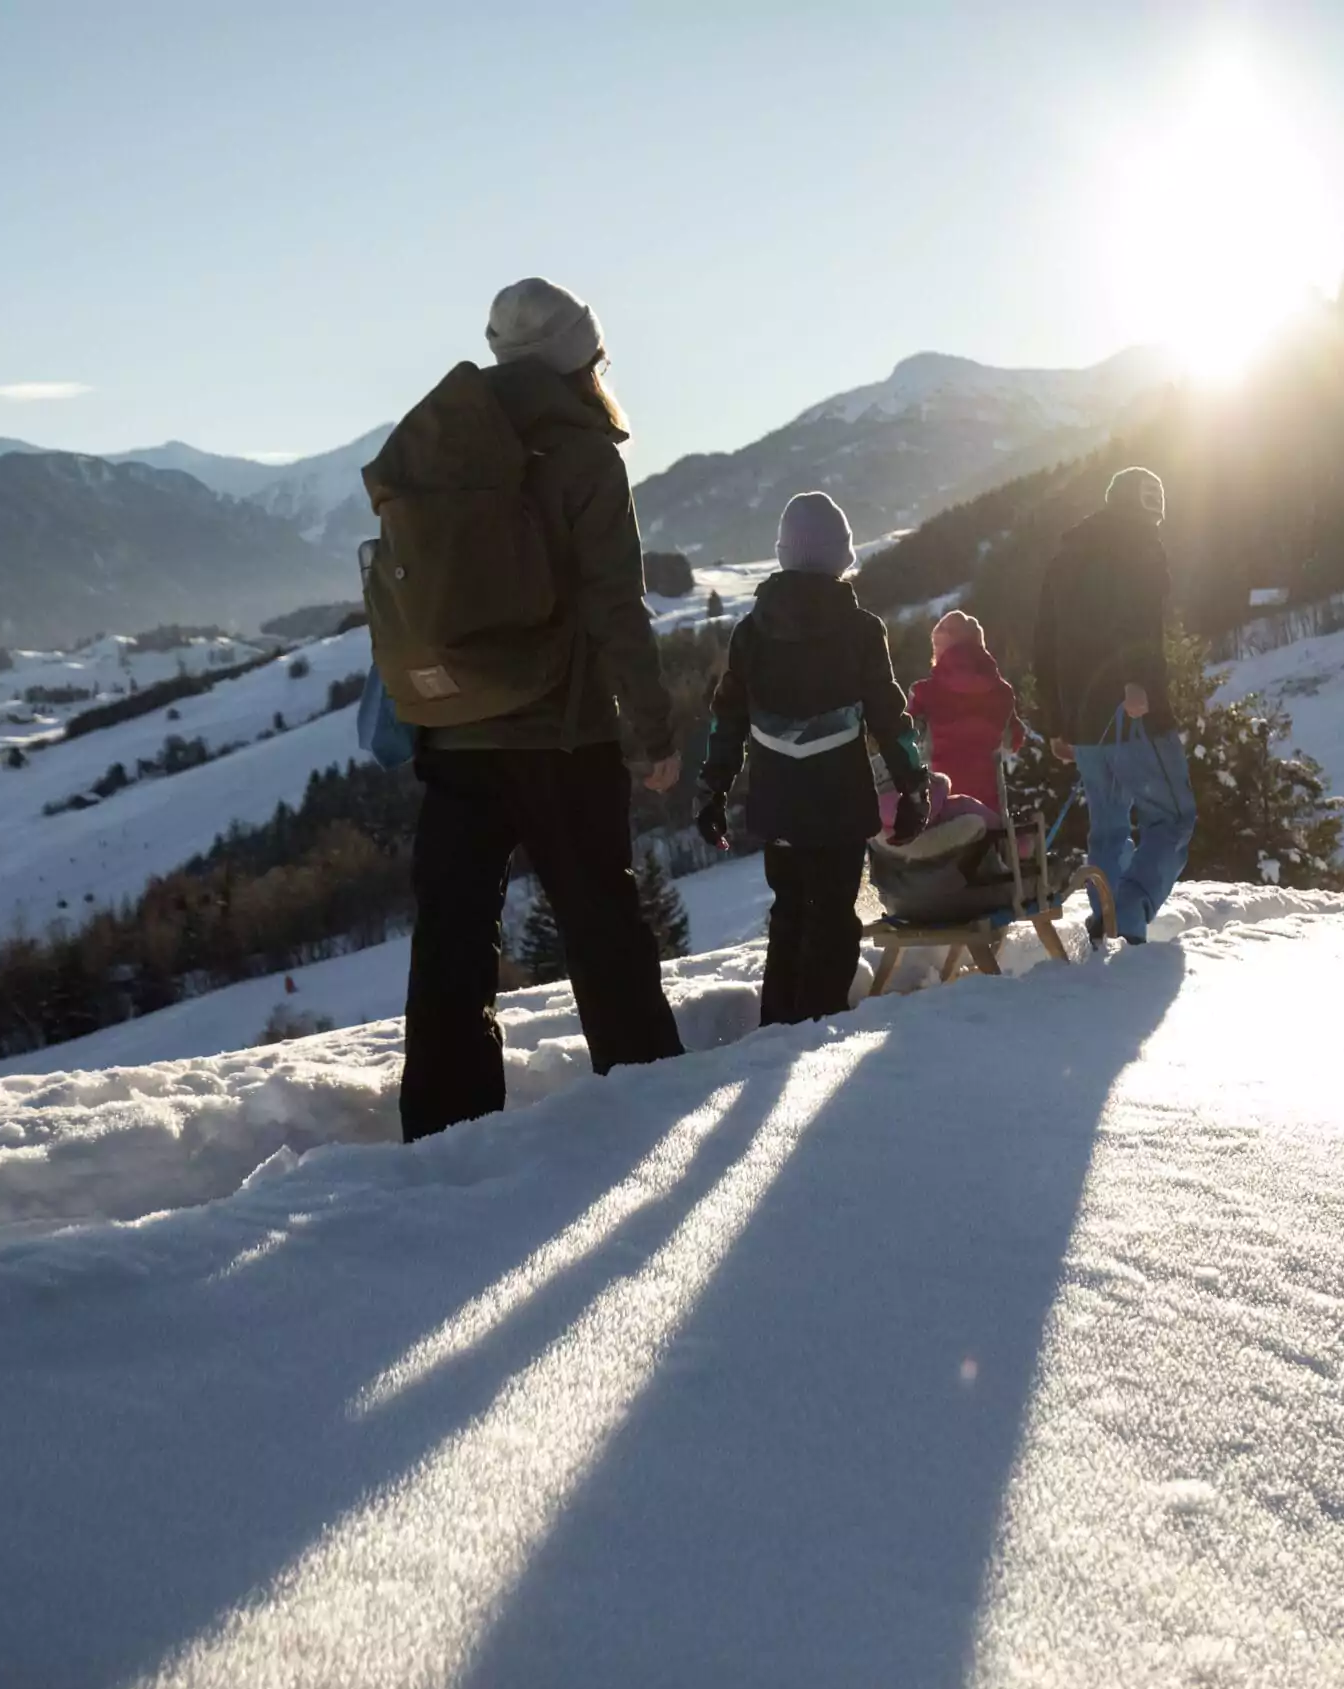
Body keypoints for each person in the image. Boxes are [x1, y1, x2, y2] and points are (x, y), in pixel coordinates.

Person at [376, 277, 686, 1142]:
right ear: (580, 359)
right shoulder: (583, 452)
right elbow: (616, 607)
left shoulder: (445, 444)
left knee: (450, 936)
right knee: (601, 923)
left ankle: (443, 1131)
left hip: (456, 730)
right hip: (562, 729)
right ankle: (650, 1104)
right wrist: (652, 731)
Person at [697, 491, 930, 1025]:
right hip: (839, 803)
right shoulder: (861, 630)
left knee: (788, 914)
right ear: (841, 557)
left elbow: (726, 716)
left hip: (778, 802)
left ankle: (775, 1028)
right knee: (834, 918)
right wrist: (912, 785)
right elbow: (889, 716)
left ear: (783, 553)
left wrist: (713, 789)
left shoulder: (750, 632)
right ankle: (813, 1037)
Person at [1032, 466, 1196, 944]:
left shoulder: (1065, 558)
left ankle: (1107, 914)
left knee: (1108, 827)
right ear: (1149, 506)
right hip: (1131, 711)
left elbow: (1045, 644)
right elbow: (1138, 621)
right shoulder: (1139, 546)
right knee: (1172, 817)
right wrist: (1139, 683)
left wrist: (1057, 723)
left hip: (1083, 722)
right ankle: (1127, 912)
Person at [907, 609, 1024, 815]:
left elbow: (906, 740)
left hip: (940, 809)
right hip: (989, 811)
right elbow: (1012, 741)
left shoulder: (923, 693)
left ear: (942, 648)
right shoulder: (1002, 692)